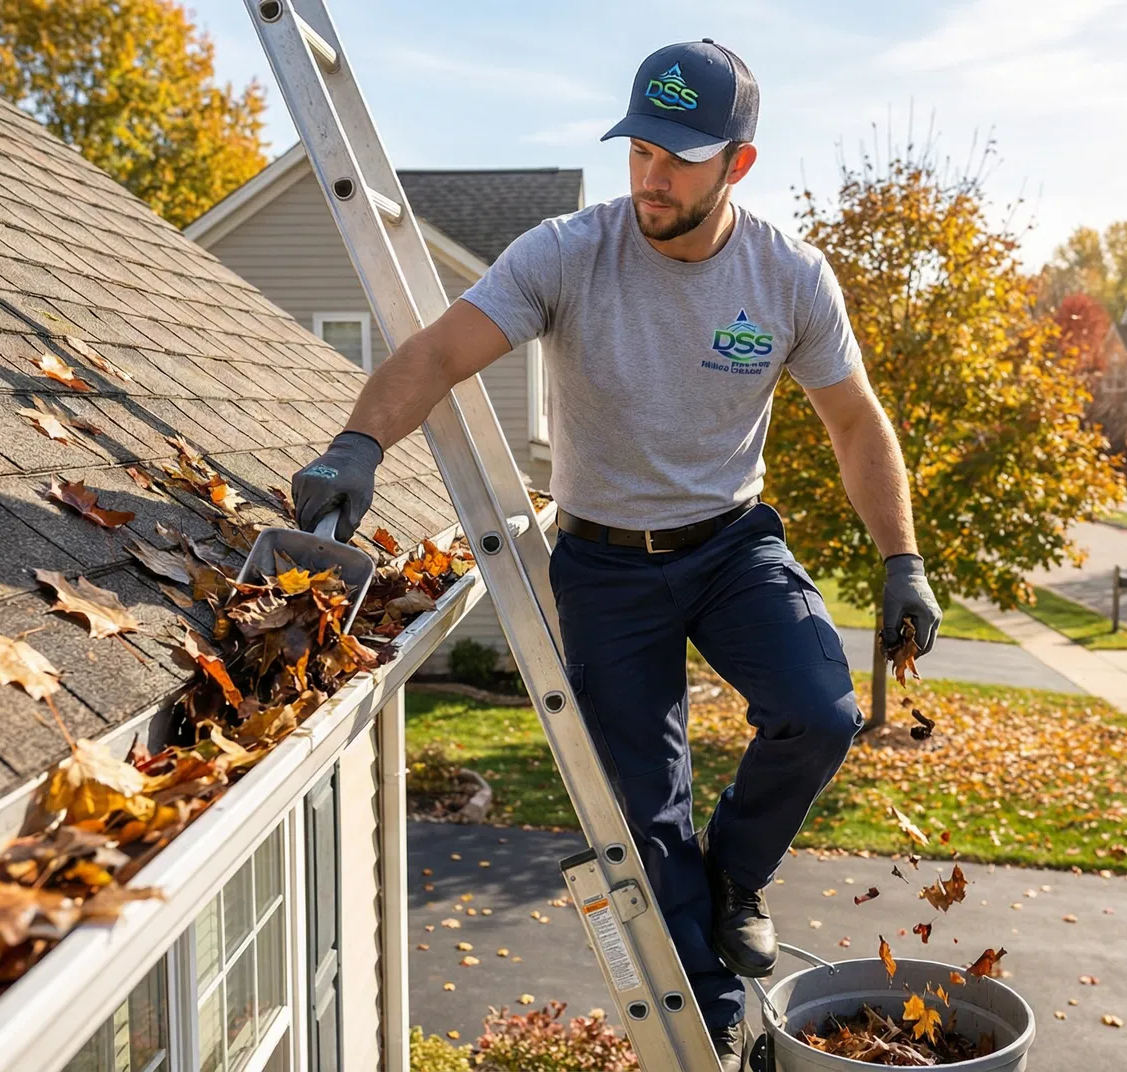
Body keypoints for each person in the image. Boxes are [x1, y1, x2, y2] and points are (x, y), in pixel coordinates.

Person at [290, 39, 938, 1070]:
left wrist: (902, 558)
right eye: (641, 148)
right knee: (643, 817)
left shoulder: (788, 276)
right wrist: (359, 440)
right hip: (603, 567)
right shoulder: (567, 251)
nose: (653, 175)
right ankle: (713, 1011)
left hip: (731, 544)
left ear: (739, 163)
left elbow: (856, 424)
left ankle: (740, 875)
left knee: (821, 712)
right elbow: (442, 352)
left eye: (681, 157)